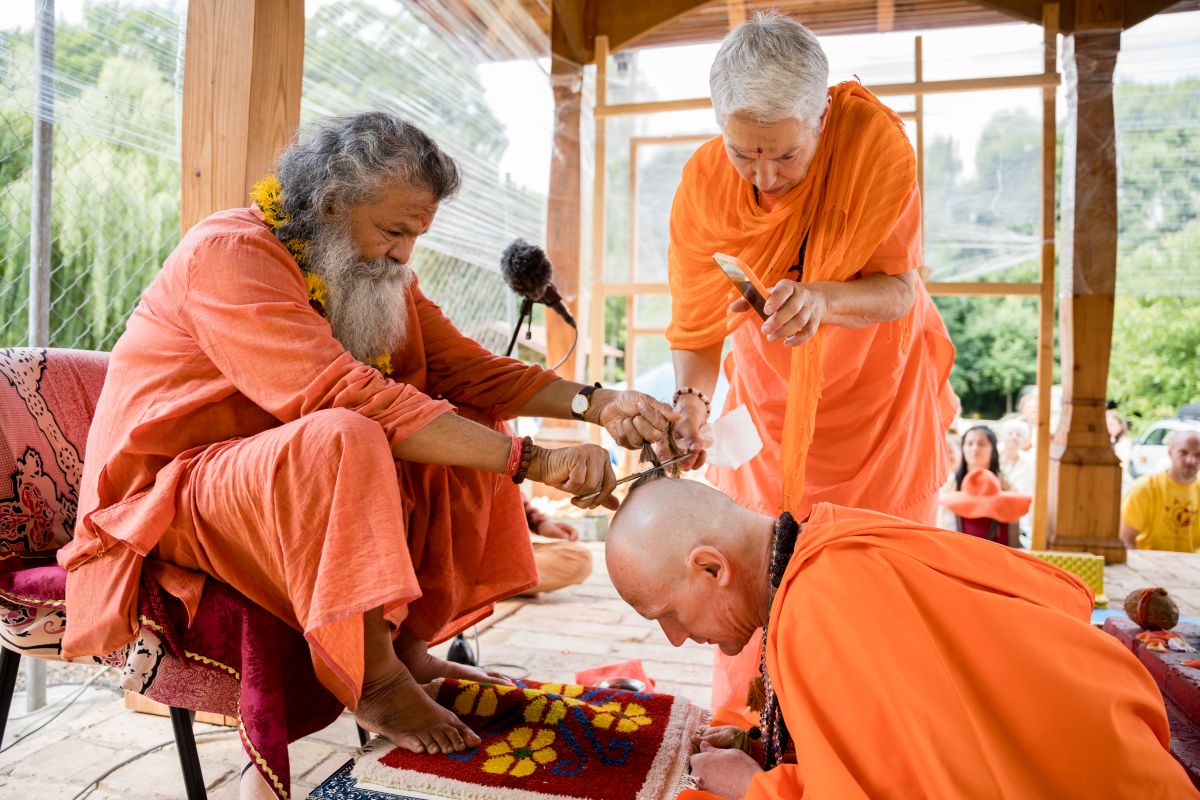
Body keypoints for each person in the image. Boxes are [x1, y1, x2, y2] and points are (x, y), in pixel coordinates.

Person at [56, 112, 678, 795]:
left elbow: (467, 370)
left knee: (463, 418)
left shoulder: (372, 272)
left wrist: (599, 402)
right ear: (330, 205)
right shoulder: (230, 252)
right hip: (166, 503)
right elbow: (340, 395)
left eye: (417, 235)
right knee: (350, 431)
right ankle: (376, 679)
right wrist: (533, 461)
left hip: (267, 488)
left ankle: (407, 644)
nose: (406, 254)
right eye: (394, 231)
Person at [663, 10, 956, 717]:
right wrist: (691, 405)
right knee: (755, 578)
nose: (764, 177)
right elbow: (699, 326)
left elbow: (898, 288)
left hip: (876, 407)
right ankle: (753, 737)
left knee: (877, 594)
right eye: (744, 153)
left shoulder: (873, 151)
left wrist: (822, 300)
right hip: (767, 407)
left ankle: (865, 747)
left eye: (785, 156)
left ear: (820, 117)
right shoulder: (704, 186)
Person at [605, 477, 1197, 799]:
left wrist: (752, 787)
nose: (675, 639)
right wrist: (773, 745)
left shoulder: (821, 604)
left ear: (712, 568)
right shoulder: (827, 540)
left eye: (668, 615)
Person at [1120, 429, 1200, 552]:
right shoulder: (1144, 488)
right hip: (1149, 567)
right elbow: (1125, 540)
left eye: (1198, 455)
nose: (1191, 460)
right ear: (1170, 452)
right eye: (1183, 452)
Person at [520, 501, 592, 596]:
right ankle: (507, 586)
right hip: (496, 557)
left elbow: (516, 501)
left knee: (578, 556)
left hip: (512, 550)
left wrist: (541, 524)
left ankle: (511, 585)